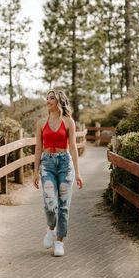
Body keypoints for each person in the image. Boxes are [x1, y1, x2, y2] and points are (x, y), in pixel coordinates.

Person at [33, 89, 83, 257]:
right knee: (49, 202)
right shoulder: (41, 123)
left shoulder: (69, 122)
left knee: (63, 205)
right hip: (46, 164)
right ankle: (50, 229)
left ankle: (59, 241)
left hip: (65, 164)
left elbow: (74, 147)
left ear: (59, 101)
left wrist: (77, 173)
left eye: (51, 98)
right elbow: (38, 148)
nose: (48, 101)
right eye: (47, 98)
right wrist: (35, 172)